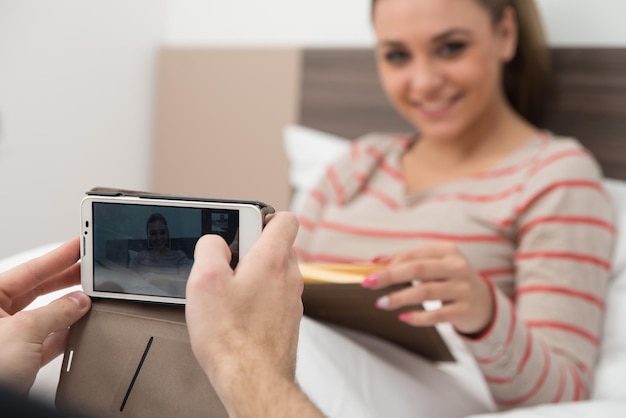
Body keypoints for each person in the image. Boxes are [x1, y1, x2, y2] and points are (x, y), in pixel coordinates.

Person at [294, 0, 615, 412]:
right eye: (397, 56)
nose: (424, 82)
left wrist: (486, 313)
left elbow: (563, 400)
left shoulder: (555, 175)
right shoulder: (356, 164)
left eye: (450, 48)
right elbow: (273, 305)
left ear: (505, 34)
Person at [0, 212, 325, 417]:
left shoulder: (182, 260)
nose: (157, 238)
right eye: (152, 233)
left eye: (161, 233)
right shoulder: (138, 257)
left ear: (167, 235)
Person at [129, 213, 193, 279]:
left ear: (167, 233)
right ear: (147, 236)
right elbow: (129, 281)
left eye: (162, 232)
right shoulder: (139, 258)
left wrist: (156, 278)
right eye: (153, 233)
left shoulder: (179, 257)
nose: (159, 237)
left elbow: (186, 281)